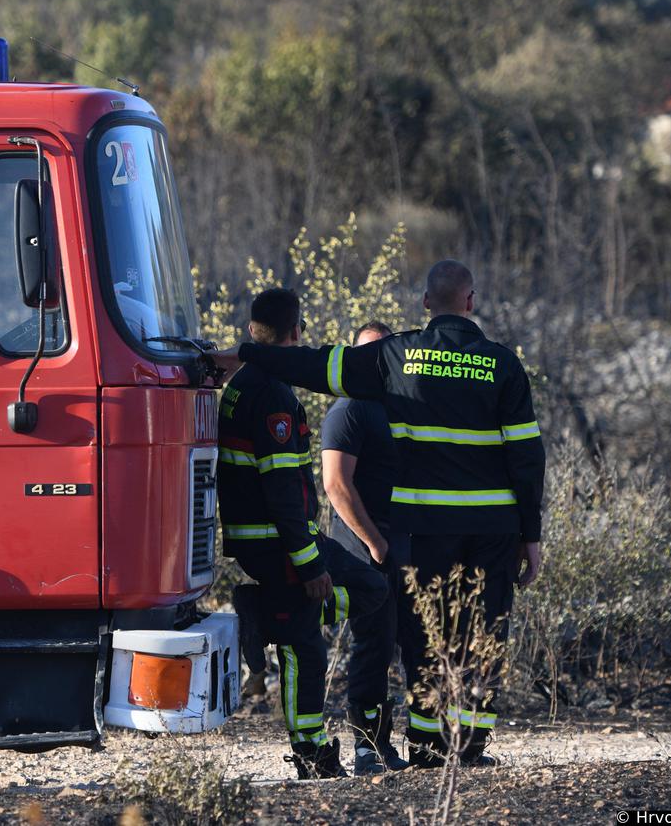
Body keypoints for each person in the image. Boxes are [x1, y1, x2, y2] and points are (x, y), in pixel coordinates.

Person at [208, 261, 545, 768]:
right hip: (494, 528)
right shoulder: (504, 365)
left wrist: (248, 355)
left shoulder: (397, 356)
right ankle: (471, 748)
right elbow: (527, 455)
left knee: (425, 633)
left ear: (426, 303)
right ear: (471, 303)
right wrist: (531, 534)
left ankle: (428, 748)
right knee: (485, 630)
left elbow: (315, 366)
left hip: (426, 528)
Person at [217, 289, 388, 779]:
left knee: (373, 588)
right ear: (297, 332)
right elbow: (281, 491)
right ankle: (311, 753)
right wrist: (309, 563)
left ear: (253, 331)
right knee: (305, 651)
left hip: (274, 539)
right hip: (279, 543)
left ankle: (263, 614)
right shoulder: (271, 392)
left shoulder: (245, 382)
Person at [321, 320, 411, 775]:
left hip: (404, 545)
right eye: (366, 353)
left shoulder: (400, 405)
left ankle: (421, 746)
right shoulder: (350, 409)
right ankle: (368, 749)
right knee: (372, 646)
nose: (374, 362)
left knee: (407, 642)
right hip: (364, 550)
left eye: (383, 352)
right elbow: (336, 484)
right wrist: (375, 542)